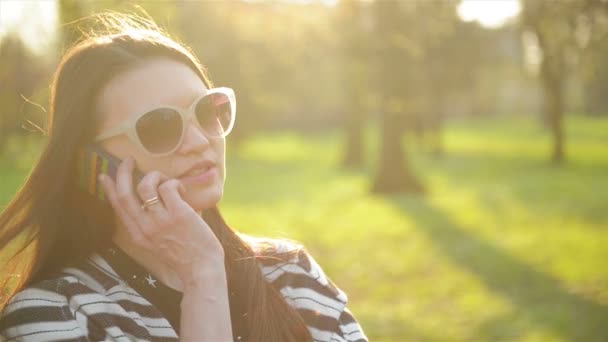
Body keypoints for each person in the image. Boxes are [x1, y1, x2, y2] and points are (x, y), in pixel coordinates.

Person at [0, 13, 367, 342]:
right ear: (92, 163)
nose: (199, 141)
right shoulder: (58, 313)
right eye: (160, 126)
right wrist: (202, 279)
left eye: (208, 111)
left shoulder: (291, 274)